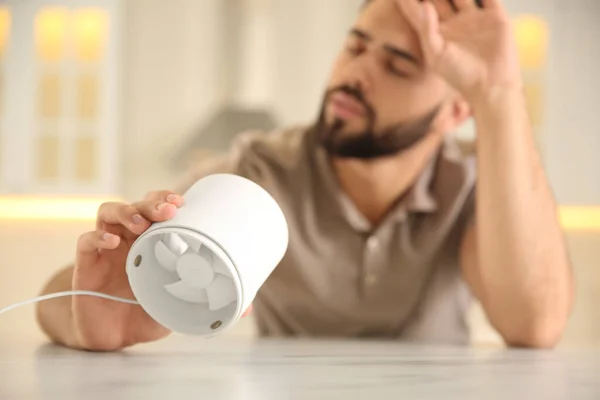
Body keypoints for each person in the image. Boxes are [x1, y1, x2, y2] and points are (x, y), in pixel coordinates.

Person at [36, 0, 574, 351]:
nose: (356, 73)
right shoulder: (257, 170)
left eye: (398, 65)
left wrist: (498, 95)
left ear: (457, 111)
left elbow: (534, 325)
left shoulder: (476, 189)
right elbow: (57, 298)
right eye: (355, 46)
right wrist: (92, 321)